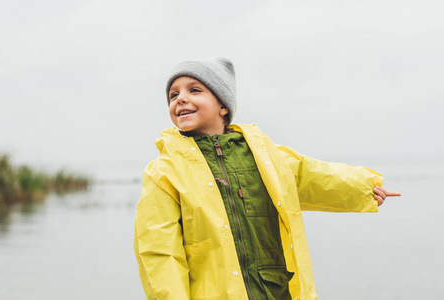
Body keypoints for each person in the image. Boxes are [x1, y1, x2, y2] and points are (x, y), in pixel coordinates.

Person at [134, 57, 401, 300]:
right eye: (173, 94)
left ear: (223, 105)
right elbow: (159, 252)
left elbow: (309, 175)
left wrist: (364, 188)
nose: (180, 99)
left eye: (194, 90)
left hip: (275, 291)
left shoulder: (262, 153)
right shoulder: (164, 171)